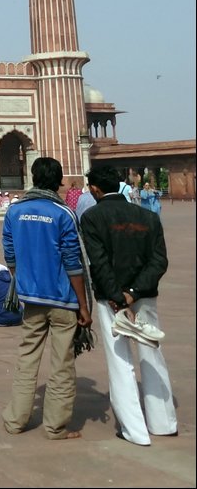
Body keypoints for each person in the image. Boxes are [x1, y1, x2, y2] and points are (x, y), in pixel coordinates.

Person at [80, 165, 176, 446]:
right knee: (151, 352)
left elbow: (99, 262)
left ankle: (135, 430)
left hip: (111, 299)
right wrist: (134, 292)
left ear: (95, 189)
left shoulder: (93, 217)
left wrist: (119, 298)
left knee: (120, 360)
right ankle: (163, 422)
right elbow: (159, 261)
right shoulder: (147, 216)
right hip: (144, 295)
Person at [1, 156, 91, 440]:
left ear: (32, 177)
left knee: (27, 357)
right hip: (62, 297)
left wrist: (23, 279)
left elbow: (10, 255)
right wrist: (83, 305)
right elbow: (73, 262)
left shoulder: (15, 212)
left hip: (31, 297)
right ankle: (55, 426)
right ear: (58, 181)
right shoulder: (62, 213)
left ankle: (16, 419)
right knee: (62, 362)